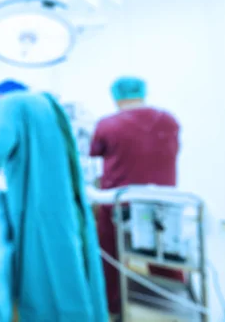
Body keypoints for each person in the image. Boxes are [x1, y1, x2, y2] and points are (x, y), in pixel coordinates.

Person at [0, 82, 109, 322]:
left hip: (44, 213)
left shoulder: (10, 103)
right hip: (70, 208)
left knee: (49, 277)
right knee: (77, 272)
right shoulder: (50, 105)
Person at [90, 76, 183, 319]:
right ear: (143, 93)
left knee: (109, 253)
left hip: (121, 204)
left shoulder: (107, 125)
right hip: (164, 203)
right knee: (165, 253)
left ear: (115, 96)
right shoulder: (169, 119)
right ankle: (172, 304)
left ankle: (113, 306)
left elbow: (94, 152)